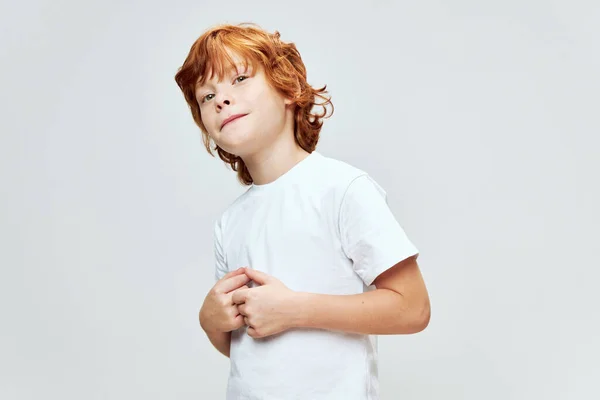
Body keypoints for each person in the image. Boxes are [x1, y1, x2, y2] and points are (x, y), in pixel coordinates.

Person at [174, 22, 431, 400]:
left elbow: (413, 308)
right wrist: (211, 323)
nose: (221, 101)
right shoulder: (229, 223)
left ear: (287, 87)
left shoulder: (342, 189)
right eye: (206, 96)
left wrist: (295, 309)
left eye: (240, 78)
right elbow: (248, 343)